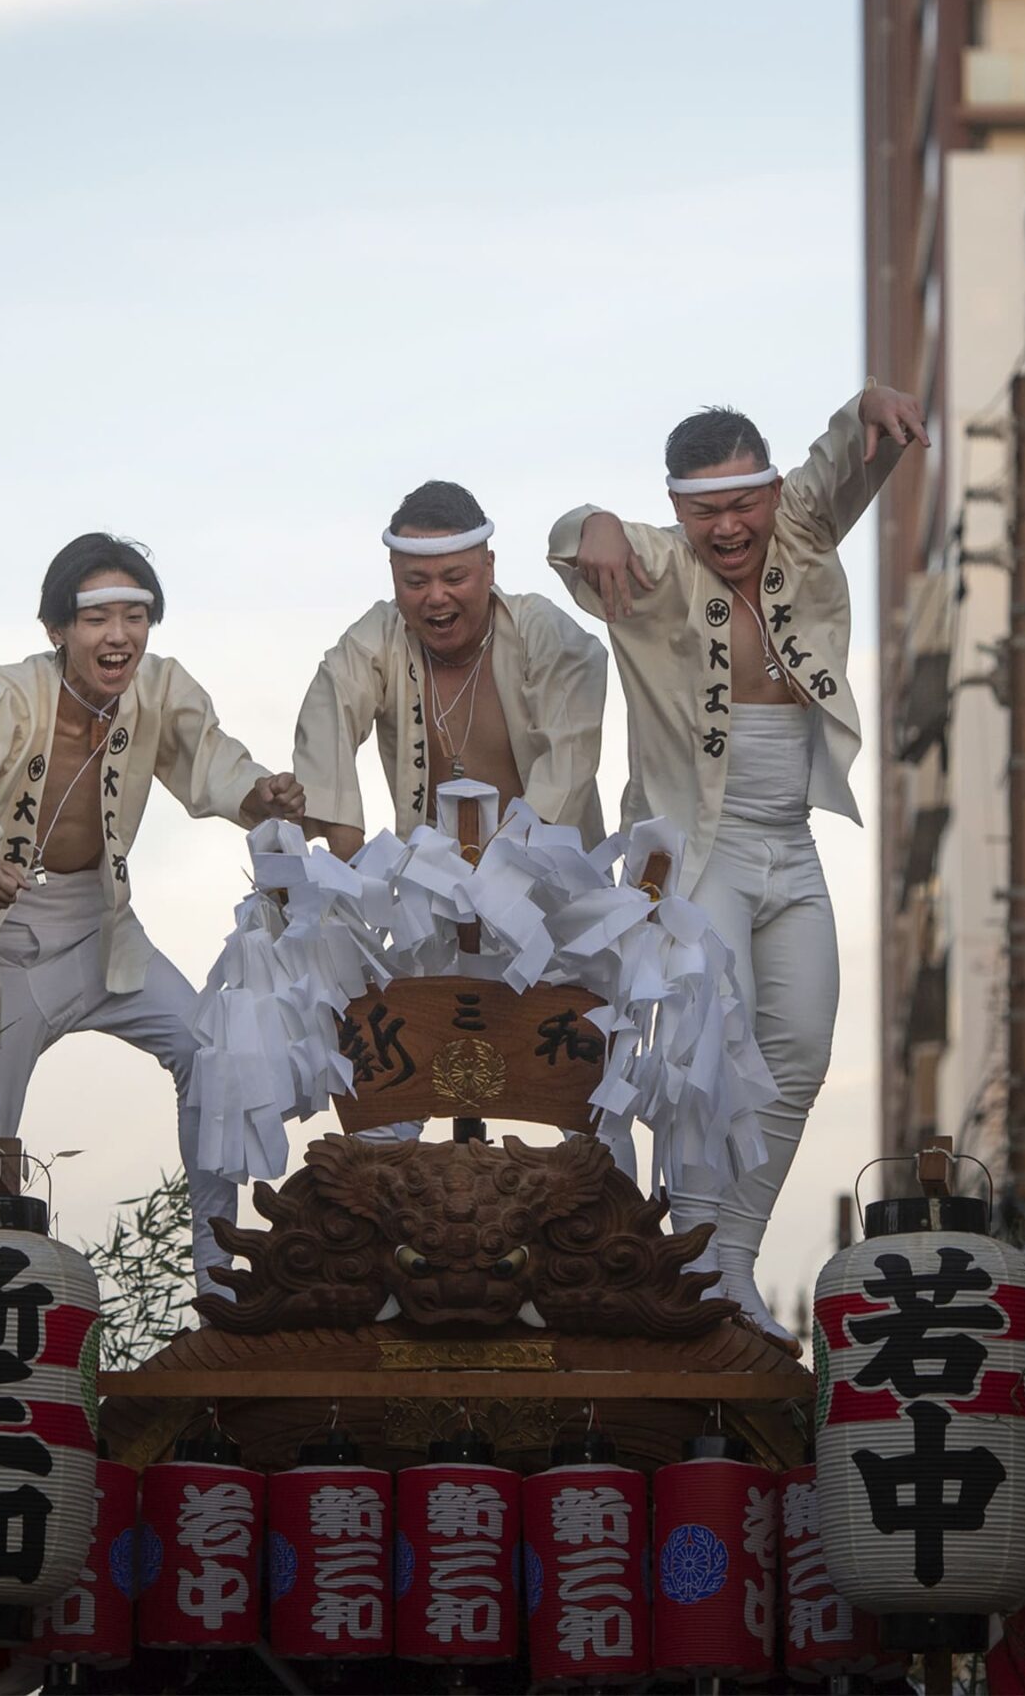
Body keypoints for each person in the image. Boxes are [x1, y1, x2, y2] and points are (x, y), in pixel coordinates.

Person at [549, 384, 929, 1340]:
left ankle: (731, 1261)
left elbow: (847, 453)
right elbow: (569, 542)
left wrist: (870, 403)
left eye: (742, 502)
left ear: (770, 491)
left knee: (799, 1047)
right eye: (705, 509)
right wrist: (588, 521)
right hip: (695, 853)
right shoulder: (651, 571)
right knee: (706, 1055)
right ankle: (694, 1254)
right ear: (676, 510)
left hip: (791, 841)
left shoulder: (801, 531)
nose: (729, 526)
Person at [0, 533, 305, 1292]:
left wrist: (262, 794)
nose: (119, 635)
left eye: (136, 615)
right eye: (98, 618)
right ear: (57, 628)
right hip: (5, 941)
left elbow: (214, 760)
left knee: (205, 1048)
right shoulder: (7, 691)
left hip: (104, 932)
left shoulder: (159, 689)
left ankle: (216, 1270)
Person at [295, 479, 608, 858]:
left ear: (488, 568)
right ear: (394, 575)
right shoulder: (379, 637)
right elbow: (329, 709)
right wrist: (346, 855)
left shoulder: (540, 631)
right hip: (432, 882)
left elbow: (568, 763)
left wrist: (499, 869)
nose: (437, 597)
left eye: (454, 578)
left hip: (550, 875)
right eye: (416, 582)